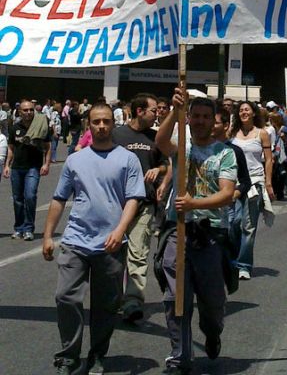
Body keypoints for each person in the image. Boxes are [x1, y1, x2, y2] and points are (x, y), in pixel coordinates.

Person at [42, 102, 146, 375]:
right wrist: (48, 235)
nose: (101, 126)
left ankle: (97, 354)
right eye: (96, 121)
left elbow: (133, 199)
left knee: (105, 306)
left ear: (113, 124)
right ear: (88, 124)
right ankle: (69, 356)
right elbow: (59, 198)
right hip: (76, 241)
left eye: (106, 121)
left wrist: (120, 230)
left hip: (110, 244)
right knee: (65, 297)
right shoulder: (75, 160)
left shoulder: (127, 159)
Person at [155, 90, 238, 374]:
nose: (200, 121)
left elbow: (226, 194)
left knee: (212, 304)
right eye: (195, 116)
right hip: (178, 230)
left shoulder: (225, 153)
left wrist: (194, 204)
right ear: (188, 119)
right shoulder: (183, 147)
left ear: (214, 121)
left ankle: (212, 333)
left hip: (210, 235)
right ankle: (180, 357)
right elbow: (161, 141)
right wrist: (173, 110)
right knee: (175, 298)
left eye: (206, 117)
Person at [112, 93, 169, 322]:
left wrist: (159, 171)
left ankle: (133, 301)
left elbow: (166, 164)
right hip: (116, 205)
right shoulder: (117, 134)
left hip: (144, 204)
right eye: (154, 110)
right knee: (114, 255)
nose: (157, 114)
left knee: (138, 254)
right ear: (139, 111)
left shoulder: (156, 137)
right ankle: (114, 299)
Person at [230, 101, 274, 279]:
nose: (244, 112)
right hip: (233, 183)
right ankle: (232, 259)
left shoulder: (262, 133)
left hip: (254, 183)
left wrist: (268, 183)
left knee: (248, 227)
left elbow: (269, 159)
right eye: (241, 110)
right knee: (233, 222)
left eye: (247, 109)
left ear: (253, 113)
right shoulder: (231, 132)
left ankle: (244, 265)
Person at [3, 99, 51, 240]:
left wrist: (46, 164)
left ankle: (29, 228)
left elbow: (48, 146)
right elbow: (11, 148)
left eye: (31, 109)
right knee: (18, 199)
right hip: (17, 168)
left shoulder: (41, 125)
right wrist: (7, 165)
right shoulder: (15, 128)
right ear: (19, 112)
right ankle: (19, 228)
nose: (29, 112)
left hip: (33, 167)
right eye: (25, 110)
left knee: (30, 196)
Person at [212, 106, 251, 257]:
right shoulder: (200, 148)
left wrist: (235, 193)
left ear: (226, 125)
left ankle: (232, 260)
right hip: (206, 203)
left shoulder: (235, 151)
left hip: (229, 204)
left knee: (234, 225)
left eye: (215, 122)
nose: (211, 126)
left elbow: (245, 181)